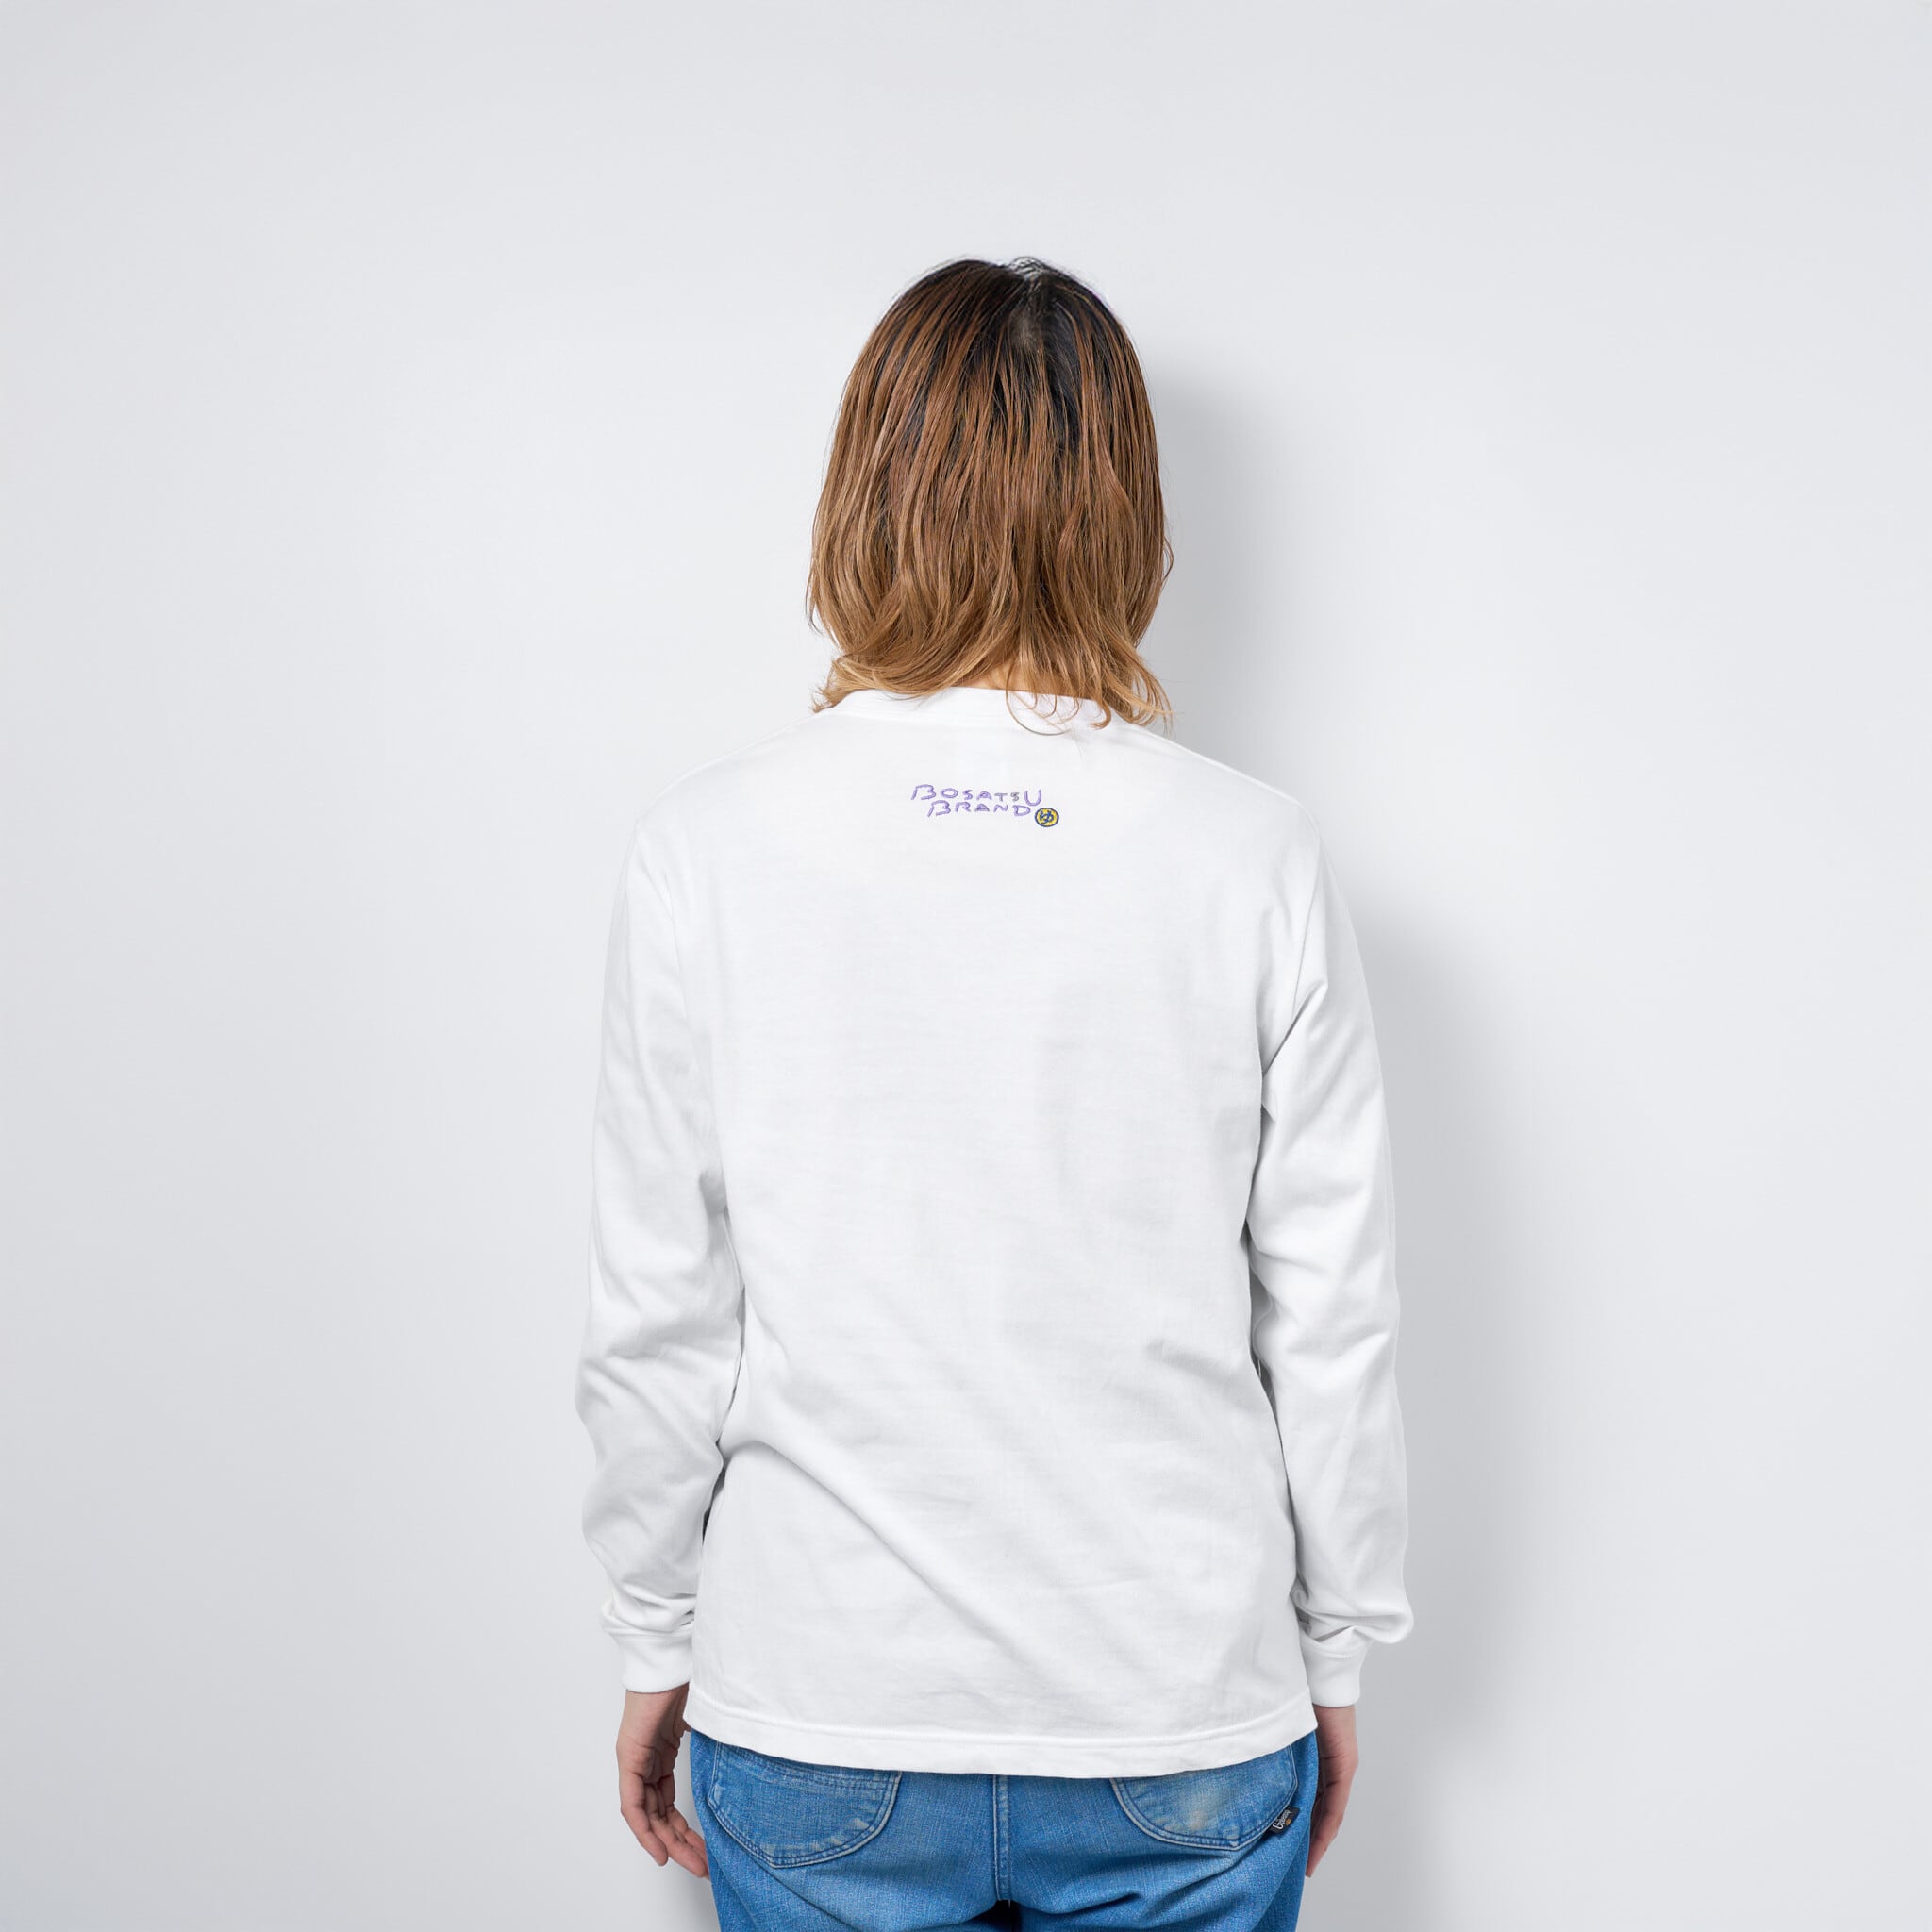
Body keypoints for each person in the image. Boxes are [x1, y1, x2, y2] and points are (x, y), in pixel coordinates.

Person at [575, 257, 1411, 1931]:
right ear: (1126, 514)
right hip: (1176, 1710)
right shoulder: (1252, 856)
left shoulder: (707, 851)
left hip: (822, 1699)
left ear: (866, 494)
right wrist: (1333, 1652)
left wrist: (656, 1634)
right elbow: (1331, 1317)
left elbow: (659, 1312)